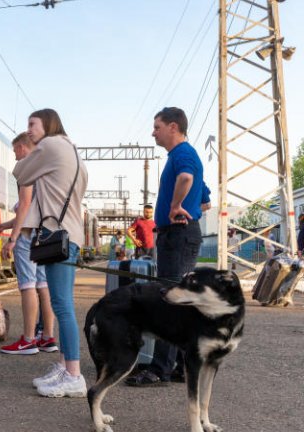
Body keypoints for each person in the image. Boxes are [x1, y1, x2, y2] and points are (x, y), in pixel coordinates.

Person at [126, 107, 206, 387]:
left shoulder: (183, 153)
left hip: (178, 234)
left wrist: (175, 207)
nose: (153, 132)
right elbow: (205, 199)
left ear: (173, 127)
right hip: (182, 234)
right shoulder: (185, 155)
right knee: (180, 299)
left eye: (157, 127)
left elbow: (187, 178)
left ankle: (160, 369)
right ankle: (180, 366)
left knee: (170, 299)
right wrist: (191, 205)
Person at [14, 109, 89, 398]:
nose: (28, 130)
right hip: (70, 235)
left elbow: (20, 172)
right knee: (62, 303)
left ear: (47, 124)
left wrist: (30, 159)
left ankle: (73, 375)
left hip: (58, 236)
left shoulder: (49, 145)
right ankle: (64, 365)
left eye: (32, 124)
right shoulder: (72, 150)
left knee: (62, 306)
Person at [0, 132, 57, 355]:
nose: (14, 155)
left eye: (15, 150)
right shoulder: (45, 170)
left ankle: (28, 339)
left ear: (23, 147)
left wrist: (12, 239)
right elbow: (32, 210)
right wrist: (6, 225)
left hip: (28, 237)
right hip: (43, 234)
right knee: (43, 285)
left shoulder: (27, 169)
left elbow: (24, 206)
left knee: (28, 286)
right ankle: (47, 337)